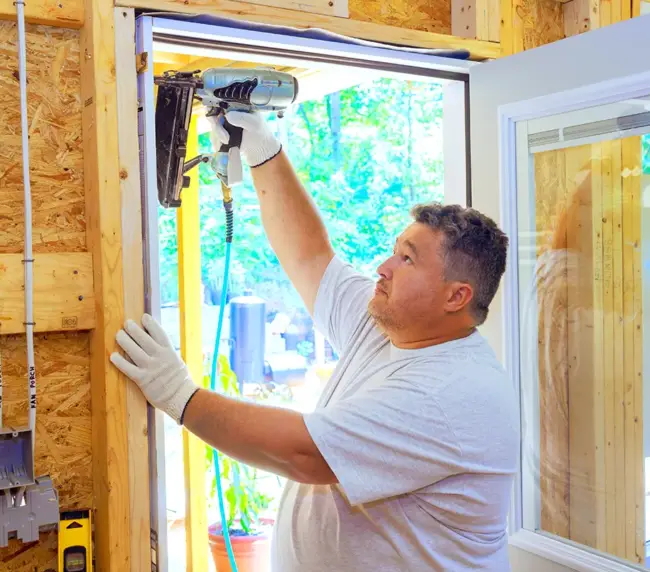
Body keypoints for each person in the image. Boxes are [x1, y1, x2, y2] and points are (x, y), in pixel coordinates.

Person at [110, 111, 519, 571]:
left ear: (456, 296)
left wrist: (179, 396)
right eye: (395, 248)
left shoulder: (454, 393)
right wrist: (262, 148)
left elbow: (306, 453)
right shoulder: (385, 323)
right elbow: (309, 256)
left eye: (407, 259)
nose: (384, 266)